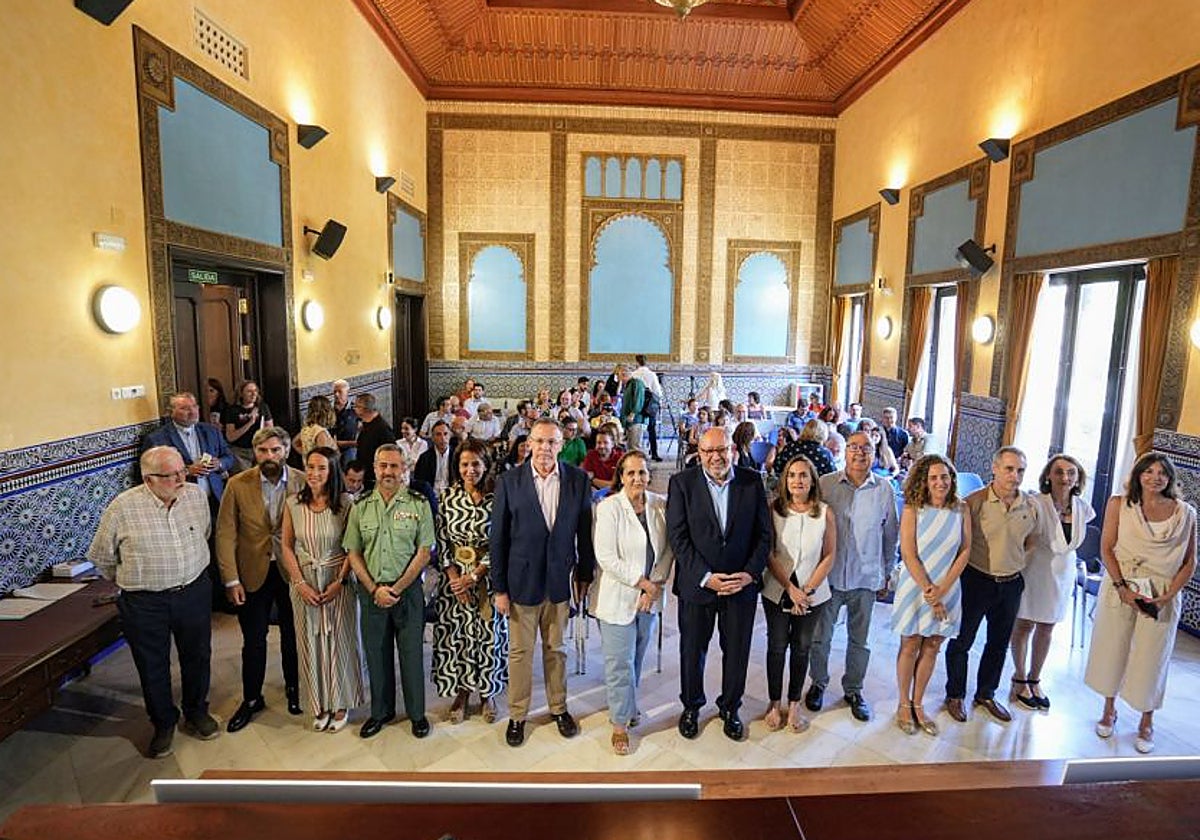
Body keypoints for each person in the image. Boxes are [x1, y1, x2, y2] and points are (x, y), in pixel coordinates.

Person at [87, 446, 219, 758]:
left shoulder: (195, 496)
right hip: (145, 602)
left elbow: (204, 532)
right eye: (171, 475)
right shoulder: (123, 507)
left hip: (193, 592)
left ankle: (196, 711)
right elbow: (103, 558)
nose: (181, 479)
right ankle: (163, 722)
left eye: (181, 471)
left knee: (198, 655)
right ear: (149, 480)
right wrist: (140, 579)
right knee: (152, 665)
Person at [490, 418, 595, 748]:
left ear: (561, 445)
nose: (545, 448)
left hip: (559, 579)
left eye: (552, 442)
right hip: (521, 581)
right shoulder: (510, 480)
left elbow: (584, 533)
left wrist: (584, 575)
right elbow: (498, 539)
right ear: (528, 444)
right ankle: (518, 714)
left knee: (557, 649)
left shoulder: (578, 480)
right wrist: (500, 589)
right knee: (520, 652)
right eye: (539, 441)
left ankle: (558, 707)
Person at [1086, 453, 1196, 754]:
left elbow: (1189, 562)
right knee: (1114, 647)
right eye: (1148, 471)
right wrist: (1122, 587)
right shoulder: (1119, 504)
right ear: (1138, 474)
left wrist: (1167, 596)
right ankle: (1109, 709)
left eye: (1162, 473)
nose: (1155, 477)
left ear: (1170, 479)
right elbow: (1106, 548)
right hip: (1123, 585)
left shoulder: (1186, 513)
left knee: (1152, 656)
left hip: (1162, 591)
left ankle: (1147, 720)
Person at [667, 427, 771, 742]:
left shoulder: (752, 482)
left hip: (741, 587)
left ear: (733, 450)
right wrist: (705, 577)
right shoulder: (682, 484)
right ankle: (692, 706)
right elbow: (678, 537)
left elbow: (764, 535)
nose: (716, 457)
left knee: (737, 651)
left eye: (722, 450)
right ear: (699, 453)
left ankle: (730, 707)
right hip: (698, 586)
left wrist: (749, 574)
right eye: (709, 451)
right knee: (692, 650)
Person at [216, 427, 305, 732]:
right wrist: (230, 580)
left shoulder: (302, 481)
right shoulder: (238, 485)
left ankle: (295, 690)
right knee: (253, 640)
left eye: (275, 450)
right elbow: (225, 533)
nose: (270, 456)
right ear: (255, 452)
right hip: (252, 572)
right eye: (263, 451)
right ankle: (252, 699)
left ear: (286, 451)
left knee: (294, 636)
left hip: (291, 571)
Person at [344, 444, 435, 739]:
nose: (388, 472)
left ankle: (417, 715)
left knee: (411, 655)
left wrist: (395, 589)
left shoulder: (418, 504)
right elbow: (353, 552)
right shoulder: (361, 506)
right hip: (371, 594)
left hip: (406, 593)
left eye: (394, 466)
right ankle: (380, 712)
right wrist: (374, 589)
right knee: (376, 654)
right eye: (383, 466)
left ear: (404, 469)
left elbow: (424, 552)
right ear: (374, 468)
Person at [808, 430, 899, 722]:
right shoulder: (826, 484)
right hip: (830, 577)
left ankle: (854, 689)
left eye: (867, 448)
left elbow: (890, 536)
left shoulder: (884, 489)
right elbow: (812, 529)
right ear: (844, 451)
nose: (860, 453)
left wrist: (887, 573)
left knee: (860, 640)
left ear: (876, 453)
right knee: (820, 638)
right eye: (854, 447)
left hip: (866, 576)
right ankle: (818, 683)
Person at [944, 446, 1039, 724]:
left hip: (1011, 584)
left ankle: (986, 693)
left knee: (998, 643)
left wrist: (1018, 559)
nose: (1015, 476)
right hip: (976, 579)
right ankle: (955, 694)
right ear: (995, 468)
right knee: (962, 640)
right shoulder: (973, 502)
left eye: (1020, 470)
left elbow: (1033, 539)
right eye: (1009, 469)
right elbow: (959, 542)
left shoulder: (1029, 505)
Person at [593, 450, 674, 755]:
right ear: (621, 476)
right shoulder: (609, 507)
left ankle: (628, 704)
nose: (637, 478)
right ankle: (618, 724)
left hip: (650, 597)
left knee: (636, 659)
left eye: (642, 473)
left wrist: (654, 587)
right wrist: (641, 584)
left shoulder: (659, 504)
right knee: (619, 662)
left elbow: (669, 549)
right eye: (631, 473)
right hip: (620, 596)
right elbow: (606, 557)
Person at [279, 447, 364, 733]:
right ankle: (320, 702)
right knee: (310, 642)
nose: (315, 474)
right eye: (311, 467)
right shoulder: (292, 503)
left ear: (332, 472)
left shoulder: (345, 503)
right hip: (305, 581)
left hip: (337, 580)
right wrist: (300, 583)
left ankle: (341, 702)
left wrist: (339, 581)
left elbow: (353, 546)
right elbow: (287, 546)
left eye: (322, 468)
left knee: (340, 641)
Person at [892, 455, 971, 736]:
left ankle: (918, 703)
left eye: (945, 477)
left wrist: (943, 589)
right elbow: (908, 553)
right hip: (916, 587)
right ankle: (903, 703)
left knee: (932, 646)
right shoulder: (914, 509)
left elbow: (965, 551)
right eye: (934, 478)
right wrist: (929, 591)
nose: (940, 482)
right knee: (911, 644)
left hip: (948, 587)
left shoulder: (961, 509)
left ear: (952, 479)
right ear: (924, 481)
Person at [1010, 454, 1095, 710]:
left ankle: (1036, 678)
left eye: (1071, 472)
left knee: (1047, 627)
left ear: (1078, 477)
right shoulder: (1036, 502)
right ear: (1049, 475)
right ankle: (1019, 676)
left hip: (1063, 571)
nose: (1065, 477)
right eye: (1059, 472)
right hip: (1036, 568)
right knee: (1024, 624)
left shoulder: (1083, 508)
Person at [432, 440, 508, 725]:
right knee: (459, 637)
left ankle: (488, 694)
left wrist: (475, 575)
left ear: (486, 465)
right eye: (464, 464)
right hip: (454, 584)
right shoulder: (447, 497)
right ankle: (462, 693)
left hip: (486, 578)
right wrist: (454, 577)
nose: (469, 469)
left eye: (475, 463)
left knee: (489, 637)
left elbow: (501, 541)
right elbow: (440, 540)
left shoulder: (498, 497)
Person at [762, 455, 836, 734]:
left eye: (803, 475)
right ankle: (773, 702)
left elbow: (829, 555)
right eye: (792, 475)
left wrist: (805, 591)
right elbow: (769, 553)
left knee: (802, 647)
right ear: (785, 480)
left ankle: (794, 703)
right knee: (777, 646)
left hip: (812, 592)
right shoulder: (775, 510)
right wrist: (790, 589)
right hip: (777, 589)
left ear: (812, 480)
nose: (797, 480)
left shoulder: (825, 512)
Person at [222, 380, 273, 467]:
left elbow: (270, 429)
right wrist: (250, 423)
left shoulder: (262, 407)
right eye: (249, 391)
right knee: (244, 478)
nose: (253, 394)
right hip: (240, 452)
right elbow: (230, 437)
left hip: (259, 448)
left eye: (255, 391)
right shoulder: (232, 410)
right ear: (241, 394)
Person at [353, 393, 395, 491]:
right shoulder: (366, 424)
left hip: (376, 479)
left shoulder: (382, 429)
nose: (354, 409)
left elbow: (390, 454)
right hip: (365, 476)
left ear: (364, 409)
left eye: (356, 406)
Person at [631, 354, 664, 461]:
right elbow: (658, 392)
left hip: (637, 404)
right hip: (649, 405)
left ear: (636, 362)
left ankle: (636, 453)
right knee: (651, 429)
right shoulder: (652, 374)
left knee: (636, 429)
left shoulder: (634, 374)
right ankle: (654, 453)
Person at [414, 420, 457, 496]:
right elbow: (420, 483)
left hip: (452, 496)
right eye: (438, 434)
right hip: (431, 496)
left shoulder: (457, 456)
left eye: (445, 434)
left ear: (450, 436)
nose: (443, 438)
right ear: (432, 438)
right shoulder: (425, 458)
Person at [617, 364, 647, 453]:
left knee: (635, 447)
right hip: (629, 421)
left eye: (619, 376)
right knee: (630, 447)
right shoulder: (628, 385)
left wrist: (633, 413)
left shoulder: (636, 383)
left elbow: (639, 399)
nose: (619, 379)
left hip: (636, 420)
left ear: (624, 374)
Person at [582, 427, 622, 492]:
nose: (601, 446)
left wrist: (593, 480)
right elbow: (586, 479)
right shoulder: (591, 455)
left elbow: (617, 486)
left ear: (612, 444)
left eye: (605, 443)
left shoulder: (621, 458)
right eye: (599, 443)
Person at [331, 379, 360, 463]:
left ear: (347, 392)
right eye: (335, 392)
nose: (336, 395)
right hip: (332, 446)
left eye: (340, 392)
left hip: (350, 447)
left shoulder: (355, 409)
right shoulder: (329, 410)